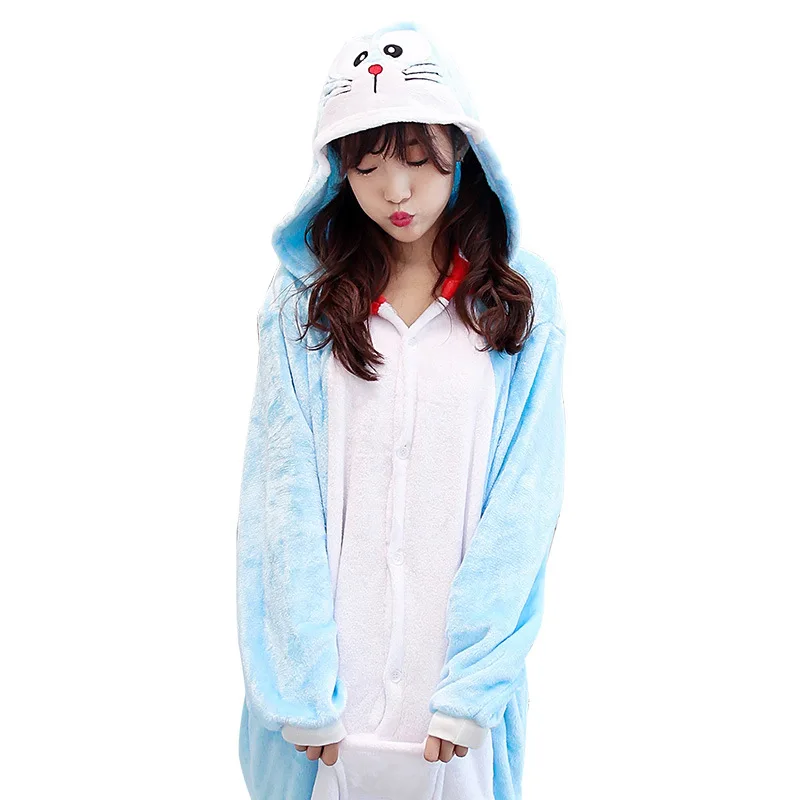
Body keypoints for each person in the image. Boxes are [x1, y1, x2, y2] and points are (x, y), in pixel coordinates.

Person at [236, 19, 566, 800]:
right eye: (368, 164)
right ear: (337, 169)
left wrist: (473, 688)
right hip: (323, 723)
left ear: (463, 151)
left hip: (452, 722)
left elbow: (525, 505)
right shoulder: (301, 305)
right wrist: (301, 694)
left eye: (418, 159)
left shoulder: (520, 302)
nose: (395, 190)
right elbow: (277, 506)